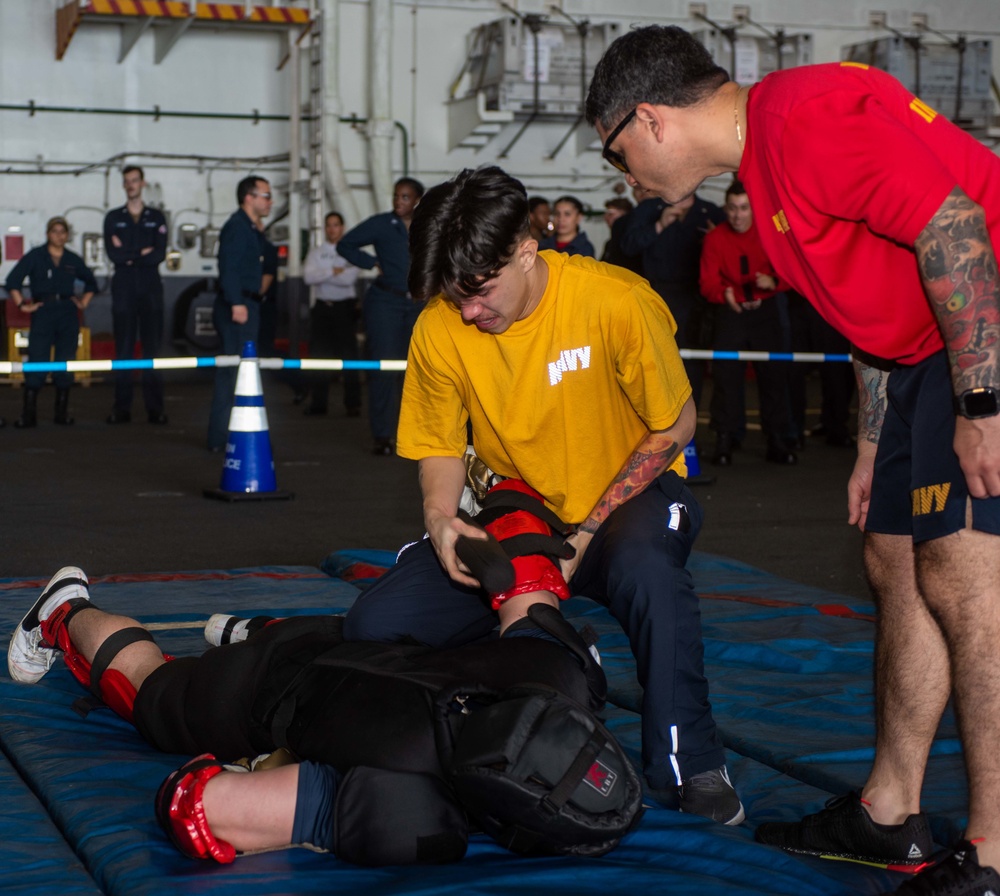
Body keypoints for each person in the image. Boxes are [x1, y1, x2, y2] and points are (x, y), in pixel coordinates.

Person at [586, 24, 1000, 895]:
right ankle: (890, 812)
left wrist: (982, 403)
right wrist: (871, 442)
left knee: (966, 580)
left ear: (651, 120)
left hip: (979, 334)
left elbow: (955, 225)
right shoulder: (762, 172)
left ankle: (995, 854)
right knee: (893, 560)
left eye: (615, 151)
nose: (623, 175)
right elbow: (871, 300)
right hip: (918, 358)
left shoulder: (804, 118)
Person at [342, 165, 744, 826]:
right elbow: (439, 443)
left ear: (527, 249)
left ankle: (692, 762)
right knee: (374, 625)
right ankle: (482, 713)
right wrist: (441, 521)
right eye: (454, 294)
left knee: (649, 572)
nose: (469, 311)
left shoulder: (616, 301)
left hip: (622, 503)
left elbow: (676, 425)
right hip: (520, 508)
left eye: (480, 290)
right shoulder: (441, 327)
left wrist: (584, 534)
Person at [6, 558, 637, 866]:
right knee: (153, 694)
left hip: (362, 643)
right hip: (266, 689)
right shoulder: (413, 803)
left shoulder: (564, 673)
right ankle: (63, 611)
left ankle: (265, 629)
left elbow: (516, 580)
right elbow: (195, 804)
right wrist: (278, 784)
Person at [699, 179, 796, 466]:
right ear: (725, 209)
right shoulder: (715, 238)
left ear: (753, 209)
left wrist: (774, 282)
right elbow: (707, 282)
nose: (737, 215)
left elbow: (792, 271)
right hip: (731, 312)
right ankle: (725, 439)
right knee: (726, 379)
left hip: (766, 312)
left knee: (774, 378)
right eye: (732, 208)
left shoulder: (771, 233)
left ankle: (777, 439)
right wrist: (724, 294)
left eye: (743, 208)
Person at [337, 178, 424, 456]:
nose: (399, 201)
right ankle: (383, 435)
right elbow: (346, 245)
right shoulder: (381, 224)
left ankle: (418, 434)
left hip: (420, 305)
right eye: (397, 196)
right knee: (384, 369)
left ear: (418, 201)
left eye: (406, 197)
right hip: (385, 303)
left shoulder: (430, 227)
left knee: (421, 370)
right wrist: (371, 262)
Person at [619, 191, 724, 411]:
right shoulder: (648, 210)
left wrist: (717, 240)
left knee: (692, 365)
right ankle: (656, 424)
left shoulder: (710, 211)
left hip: (695, 301)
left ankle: (691, 436)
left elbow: (728, 252)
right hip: (656, 296)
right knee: (653, 363)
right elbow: (628, 246)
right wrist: (659, 225)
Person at [5, 216, 98, 428]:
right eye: (54, 231)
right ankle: (28, 415)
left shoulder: (73, 259)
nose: (58, 235)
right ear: (48, 234)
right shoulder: (36, 256)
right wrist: (22, 305)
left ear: (67, 235)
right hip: (43, 312)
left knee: (65, 360)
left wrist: (83, 302)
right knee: (37, 359)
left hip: (67, 312)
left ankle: (62, 414)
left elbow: (91, 283)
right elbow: (13, 281)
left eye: (62, 231)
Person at [207, 175, 273, 453]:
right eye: (266, 195)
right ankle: (220, 438)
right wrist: (236, 303)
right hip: (238, 307)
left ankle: (232, 434)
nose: (270, 201)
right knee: (231, 373)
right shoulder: (236, 227)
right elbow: (229, 267)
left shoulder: (250, 229)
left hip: (248, 304)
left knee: (241, 372)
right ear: (249, 197)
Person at [103, 165, 169, 425]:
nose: (131, 185)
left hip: (151, 288)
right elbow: (113, 254)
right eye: (127, 181)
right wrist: (141, 252)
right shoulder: (112, 218)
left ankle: (156, 409)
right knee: (124, 350)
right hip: (124, 288)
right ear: (123, 186)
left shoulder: (157, 217)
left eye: (135, 181)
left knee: (152, 350)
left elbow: (159, 254)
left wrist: (128, 253)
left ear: (143, 184)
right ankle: (122, 409)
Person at [302, 212, 361, 417]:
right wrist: (333, 271)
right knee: (319, 356)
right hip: (322, 309)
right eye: (328, 225)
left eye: (336, 225)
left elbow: (348, 280)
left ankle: (353, 404)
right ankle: (319, 404)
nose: (332, 229)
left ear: (342, 227)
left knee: (349, 356)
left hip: (344, 308)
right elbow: (309, 277)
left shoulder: (351, 251)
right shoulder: (316, 252)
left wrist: (324, 274)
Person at [787, 289, 856, 449]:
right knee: (794, 368)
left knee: (837, 370)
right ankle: (793, 430)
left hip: (831, 301)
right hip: (797, 299)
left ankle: (835, 424)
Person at [600, 196, 642, 274]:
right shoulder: (609, 243)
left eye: (611, 214)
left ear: (624, 215)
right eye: (606, 213)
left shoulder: (633, 242)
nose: (606, 217)